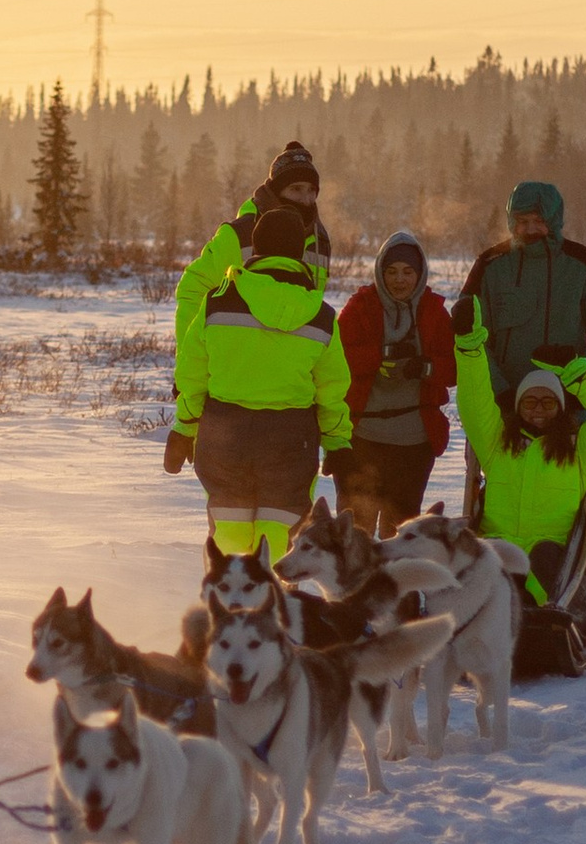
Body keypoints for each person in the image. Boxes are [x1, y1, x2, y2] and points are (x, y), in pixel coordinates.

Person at [165, 204, 354, 558]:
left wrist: (184, 428)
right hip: (291, 438)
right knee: (281, 539)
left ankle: (230, 601)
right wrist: (338, 444)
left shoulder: (217, 304)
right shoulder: (322, 315)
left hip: (225, 434)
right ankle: (274, 603)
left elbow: (193, 376)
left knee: (230, 538)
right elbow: (332, 390)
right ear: (300, 253)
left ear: (256, 248)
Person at [451, 295, 586, 602]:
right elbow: (475, 402)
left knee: (543, 561)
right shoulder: (497, 444)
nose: (538, 409)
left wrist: (578, 374)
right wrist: (469, 348)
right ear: (519, 406)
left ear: (560, 407)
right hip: (499, 544)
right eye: (530, 401)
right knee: (486, 565)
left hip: (552, 552)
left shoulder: (580, 451)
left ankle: (540, 617)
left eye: (548, 401)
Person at [453, 180, 586, 399]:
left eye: (538, 221)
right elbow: (471, 336)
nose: (530, 229)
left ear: (554, 220)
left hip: (569, 405)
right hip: (500, 404)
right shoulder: (490, 265)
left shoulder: (584, 264)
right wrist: (499, 392)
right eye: (522, 221)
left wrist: (580, 385)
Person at [334, 229, 455, 535]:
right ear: (379, 272)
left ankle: (394, 583)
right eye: (391, 272)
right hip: (362, 438)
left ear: (420, 273)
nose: (399, 280)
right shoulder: (360, 306)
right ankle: (354, 583)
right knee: (354, 532)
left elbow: (454, 369)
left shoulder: (435, 312)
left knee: (399, 536)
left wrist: (425, 367)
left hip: (413, 443)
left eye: (407, 272)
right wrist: (379, 356)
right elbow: (336, 359)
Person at [173, 140, 331, 349]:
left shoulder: (319, 241)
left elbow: (310, 307)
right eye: (296, 189)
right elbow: (193, 289)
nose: (306, 199)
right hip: (238, 364)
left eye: (312, 190)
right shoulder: (239, 235)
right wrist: (192, 357)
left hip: (292, 368)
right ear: (276, 192)